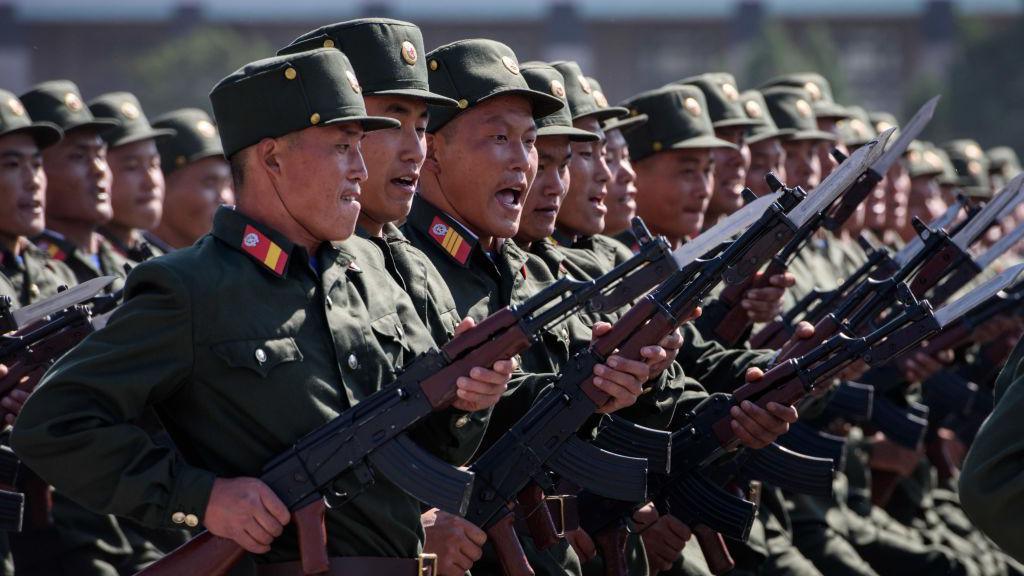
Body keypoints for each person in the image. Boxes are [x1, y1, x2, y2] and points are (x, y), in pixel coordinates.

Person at [11, 47, 511, 575]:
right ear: (272, 157)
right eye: (343, 147)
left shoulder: (376, 268)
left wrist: (467, 402)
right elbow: (54, 424)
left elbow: (429, 448)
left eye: (361, 148)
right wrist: (203, 498)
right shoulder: (191, 287)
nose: (360, 170)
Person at [19, 80, 131, 290]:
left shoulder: (130, 265)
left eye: (100, 154)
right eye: (78, 156)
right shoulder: (32, 276)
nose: (99, 169)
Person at [89, 91, 175, 261]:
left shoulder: (158, 257)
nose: (150, 182)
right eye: (132, 167)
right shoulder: (88, 259)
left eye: (154, 164)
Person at [147, 107, 234, 251]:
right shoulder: (135, 268)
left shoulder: (225, 263)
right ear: (162, 185)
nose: (224, 198)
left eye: (227, 183)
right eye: (209, 183)